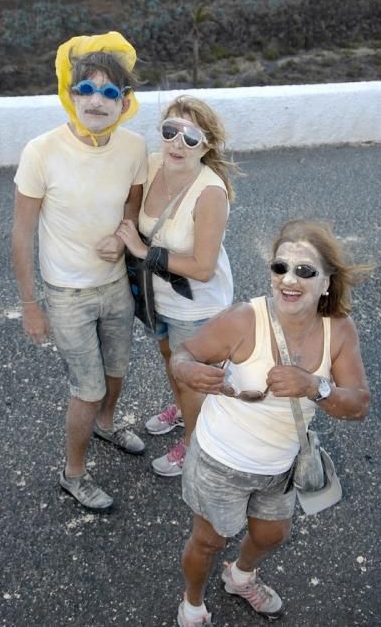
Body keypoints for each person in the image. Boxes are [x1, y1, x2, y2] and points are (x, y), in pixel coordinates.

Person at [169, 218, 372, 626]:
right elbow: (184, 354)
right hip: (221, 460)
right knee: (208, 540)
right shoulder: (245, 319)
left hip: (279, 467)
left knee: (271, 535)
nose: (289, 279)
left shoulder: (340, 331)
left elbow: (360, 404)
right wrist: (187, 372)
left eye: (304, 270)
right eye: (280, 267)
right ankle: (192, 603)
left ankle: (240, 576)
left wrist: (317, 387)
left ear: (327, 283)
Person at [11, 31, 148, 512]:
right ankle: (74, 473)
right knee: (86, 390)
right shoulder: (41, 151)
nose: (96, 100)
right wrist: (31, 305)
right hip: (67, 293)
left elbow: (133, 202)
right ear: (69, 94)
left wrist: (122, 233)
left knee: (116, 373)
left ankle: (108, 426)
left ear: (124, 101)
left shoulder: (133, 147)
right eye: (85, 89)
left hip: (115, 288)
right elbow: (21, 233)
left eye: (110, 91)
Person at [116, 95, 237, 477]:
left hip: (197, 306)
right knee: (170, 360)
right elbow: (130, 207)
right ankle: (183, 412)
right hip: (158, 299)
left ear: (207, 144)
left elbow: (202, 268)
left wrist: (141, 250)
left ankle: (194, 444)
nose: (177, 143)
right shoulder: (152, 166)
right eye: (170, 131)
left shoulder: (210, 193)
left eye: (190, 136)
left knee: (192, 379)